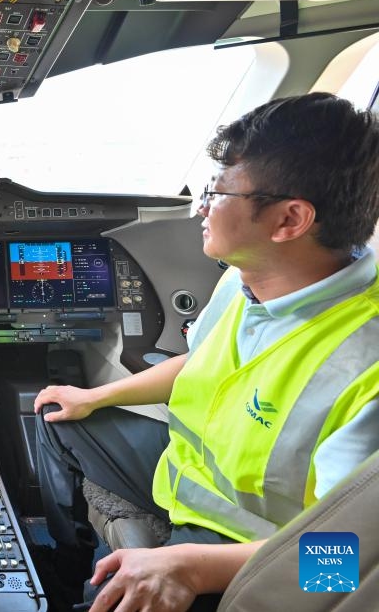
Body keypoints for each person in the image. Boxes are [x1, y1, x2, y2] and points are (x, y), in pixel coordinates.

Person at [33, 92, 379, 612]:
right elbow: (200, 362)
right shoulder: (248, 278)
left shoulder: (364, 367)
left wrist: (192, 566)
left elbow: (344, 563)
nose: (200, 207)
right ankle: (66, 567)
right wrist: (94, 396)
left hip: (252, 551)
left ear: (289, 220)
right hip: (181, 479)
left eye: (215, 192)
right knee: (57, 415)